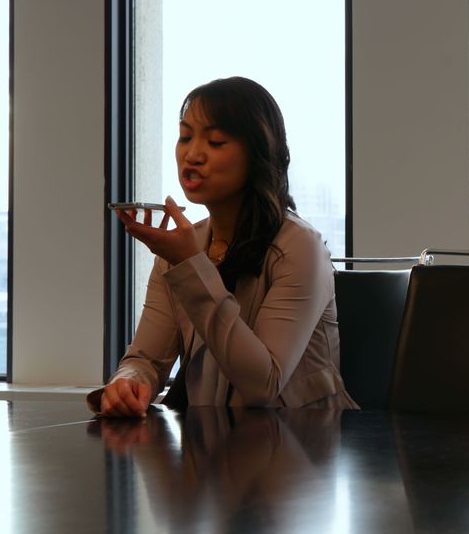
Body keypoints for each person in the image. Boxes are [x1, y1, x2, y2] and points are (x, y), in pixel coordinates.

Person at [88, 76, 356, 416]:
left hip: (299, 446)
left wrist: (190, 266)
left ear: (258, 153)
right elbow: (147, 359)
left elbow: (264, 386)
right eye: (185, 137)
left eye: (215, 141)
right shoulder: (184, 247)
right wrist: (128, 382)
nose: (193, 154)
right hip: (212, 451)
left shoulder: (299, 247)